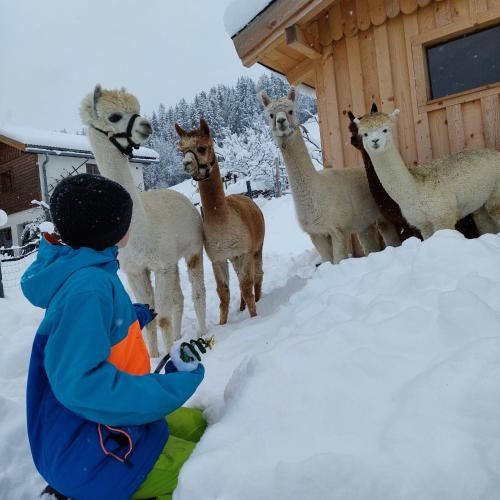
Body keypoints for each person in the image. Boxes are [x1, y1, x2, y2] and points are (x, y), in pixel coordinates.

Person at [22, 173, 206, 500]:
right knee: (207, 469)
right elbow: (84, 384)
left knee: (200, 426)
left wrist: (129, 317)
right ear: (113, 230)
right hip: (90, 452)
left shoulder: (88, 270)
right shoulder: (88, 289)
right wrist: (170, 385)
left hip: (102, 427)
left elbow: (90, 330)